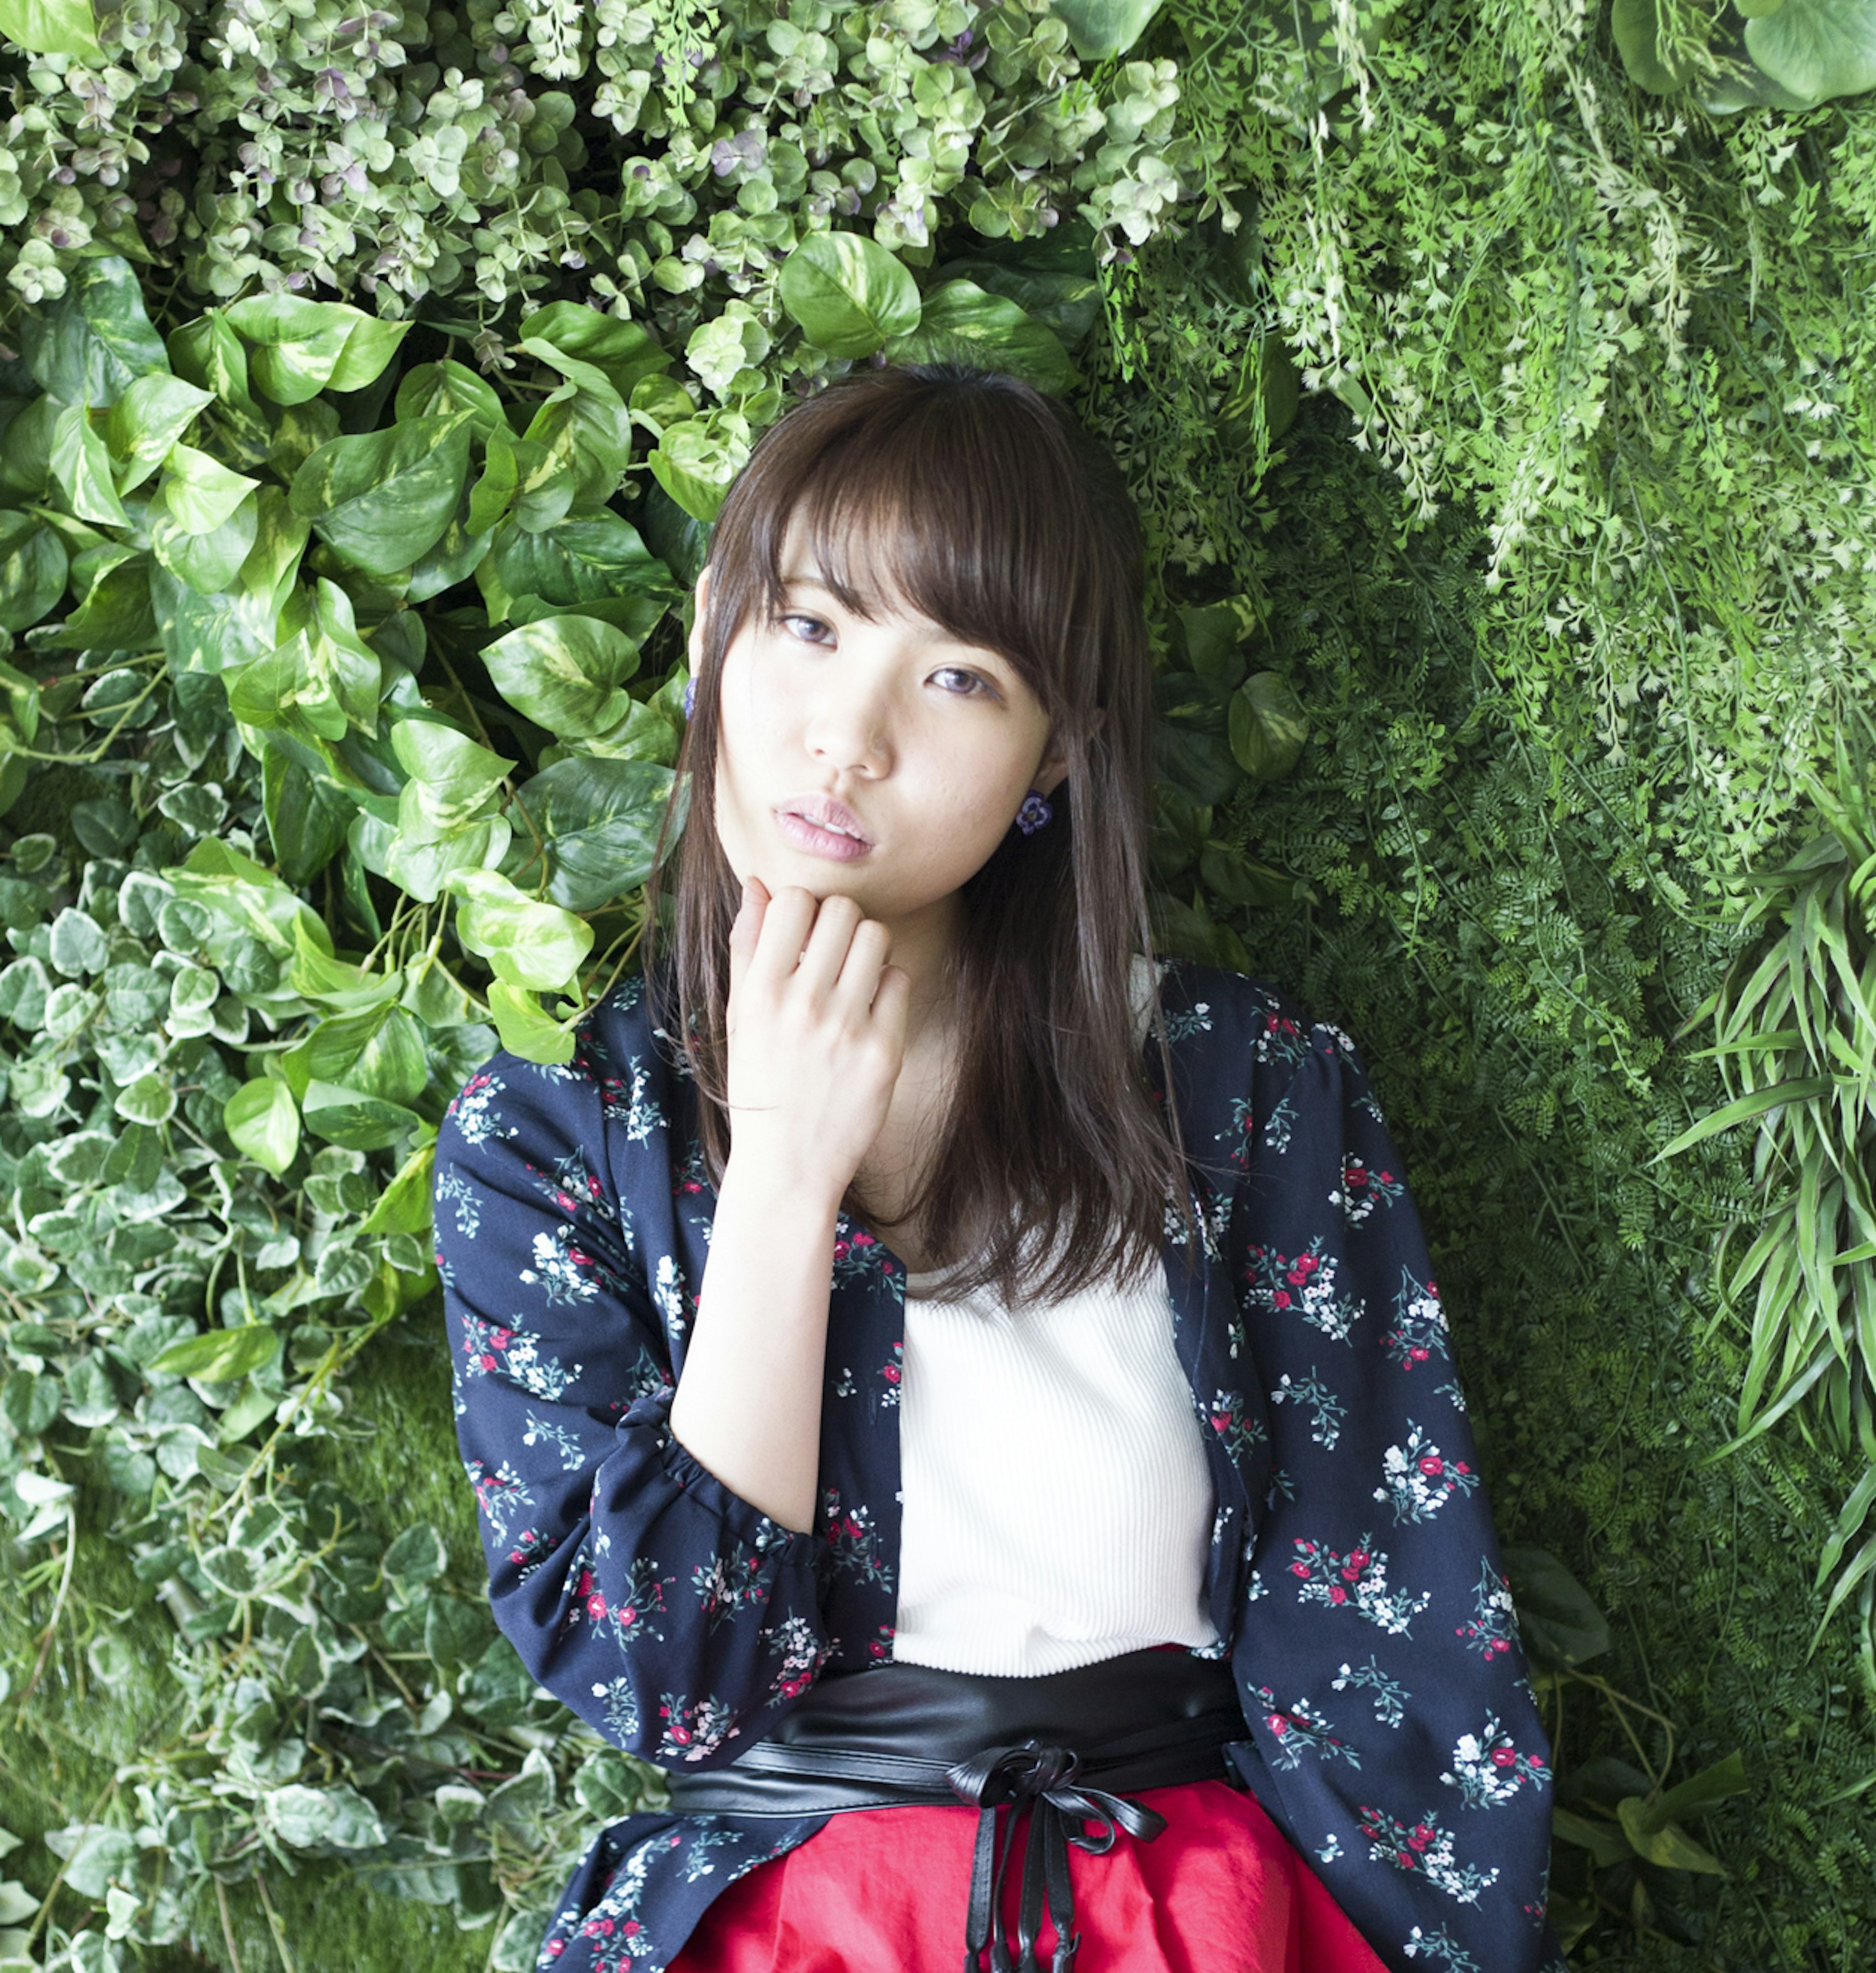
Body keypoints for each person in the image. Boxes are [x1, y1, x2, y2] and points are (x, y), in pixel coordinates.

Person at [433, 364, 1556, 1973]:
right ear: (707, 637)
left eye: (957, 677)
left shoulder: (1242, 1091)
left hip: (1184, 1913)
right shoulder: (553, 1133)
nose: (850, 738)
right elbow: (667, 1678)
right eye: (809, 627)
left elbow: (1402, 1638)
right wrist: (784, 1175)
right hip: (787, 1925)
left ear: (1054, 758)